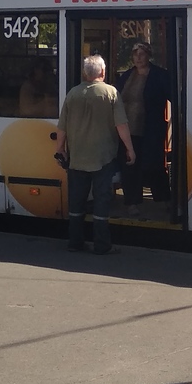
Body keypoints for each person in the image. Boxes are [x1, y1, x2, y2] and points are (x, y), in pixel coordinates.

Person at [55, 54, 135, 255]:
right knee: (101, 201)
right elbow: (121, 125)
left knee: (77, 202)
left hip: (77, 158)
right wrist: (130, 149)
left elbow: (62, 127)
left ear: (85, 73)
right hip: (103, 157)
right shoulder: (110, 93)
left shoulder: (73, 94)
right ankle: (101, 244)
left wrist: (60, 149)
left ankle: (75, 242)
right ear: (103, 72)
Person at [116, 42, 171, 213]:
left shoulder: (160, 76)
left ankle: (163, 199)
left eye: (142, 53)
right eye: (135, 54)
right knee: (129, 167)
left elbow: (175, 98)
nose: (138, 57)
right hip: (127, 130)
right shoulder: (126, 76)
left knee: (153, 164)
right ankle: (132, 202)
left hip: (151, 130)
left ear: (149, 55)